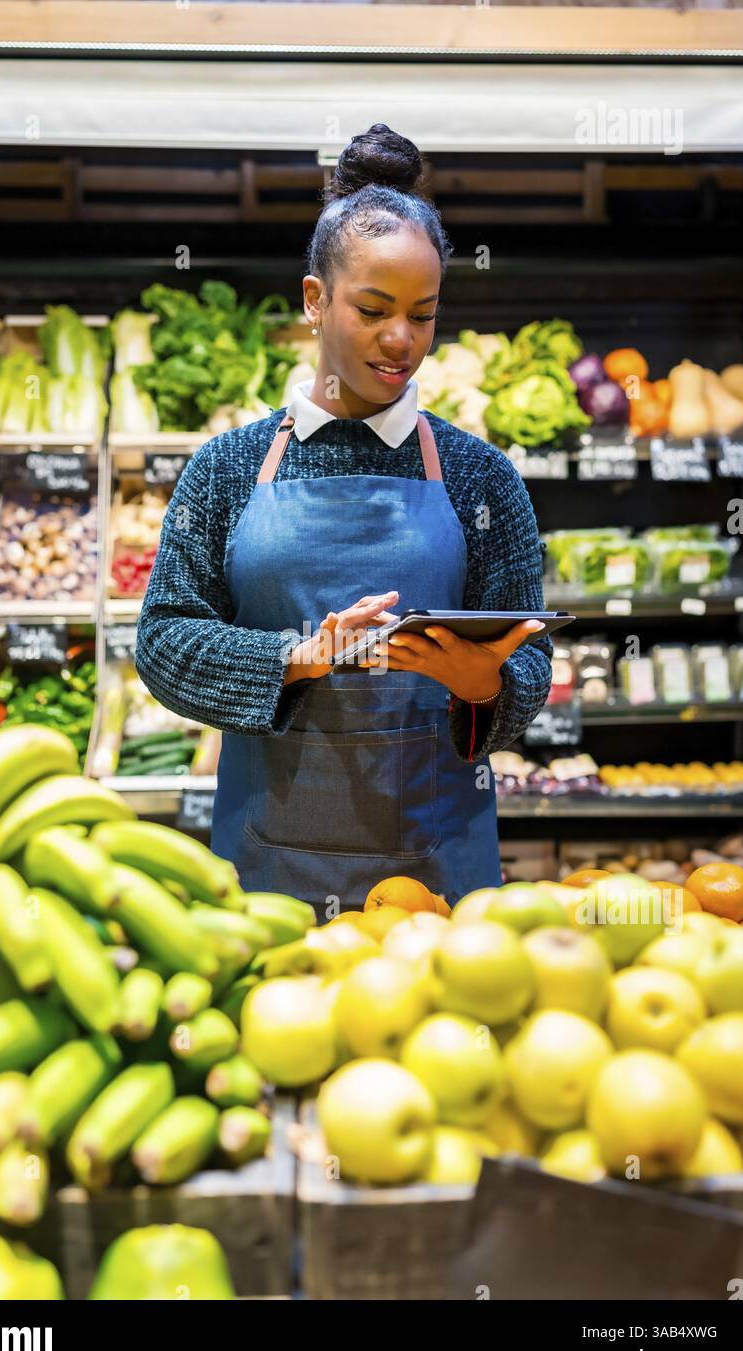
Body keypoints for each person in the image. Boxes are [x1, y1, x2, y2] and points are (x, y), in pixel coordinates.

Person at [135, 122, 553, 919]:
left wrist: (487, 683)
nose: (402, 341)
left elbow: (531, 661)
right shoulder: (227, 466)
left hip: (437, 885)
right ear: (315, 300)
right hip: (269, 880)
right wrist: (296, 656)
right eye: (373, 309)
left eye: (424, 315)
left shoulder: (480, 475)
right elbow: (163, 642)